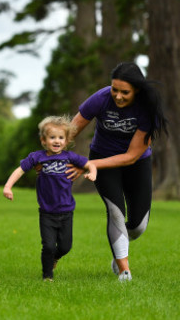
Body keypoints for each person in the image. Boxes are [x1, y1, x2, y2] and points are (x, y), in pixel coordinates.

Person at [67, 61, 168, 282]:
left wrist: (89, 165)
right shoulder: (101, 98)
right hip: (101, 159)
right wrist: (55, 156)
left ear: (137, 91)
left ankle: (118, 250)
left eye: (125, 92)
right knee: (115, 213)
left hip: (136, 163)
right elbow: (72, 129)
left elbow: (131, 156)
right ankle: (124, 271)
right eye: (115, 89)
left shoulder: (147, 109)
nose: (118, 96)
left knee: (139, 226)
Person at [3, 115, 97, 281]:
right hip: (47, 212)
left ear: (66, 140)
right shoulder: (37, 157)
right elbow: (20, 170)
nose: (56, 141)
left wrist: (93, 173)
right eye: (52, 137)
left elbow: (89, 164)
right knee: (47, 245)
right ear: (43, 140)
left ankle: (55, 258)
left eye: (61, 138)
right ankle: (47, 276)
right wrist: (8, 186)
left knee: (65, 246)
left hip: (67, 211)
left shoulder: (69, 157)